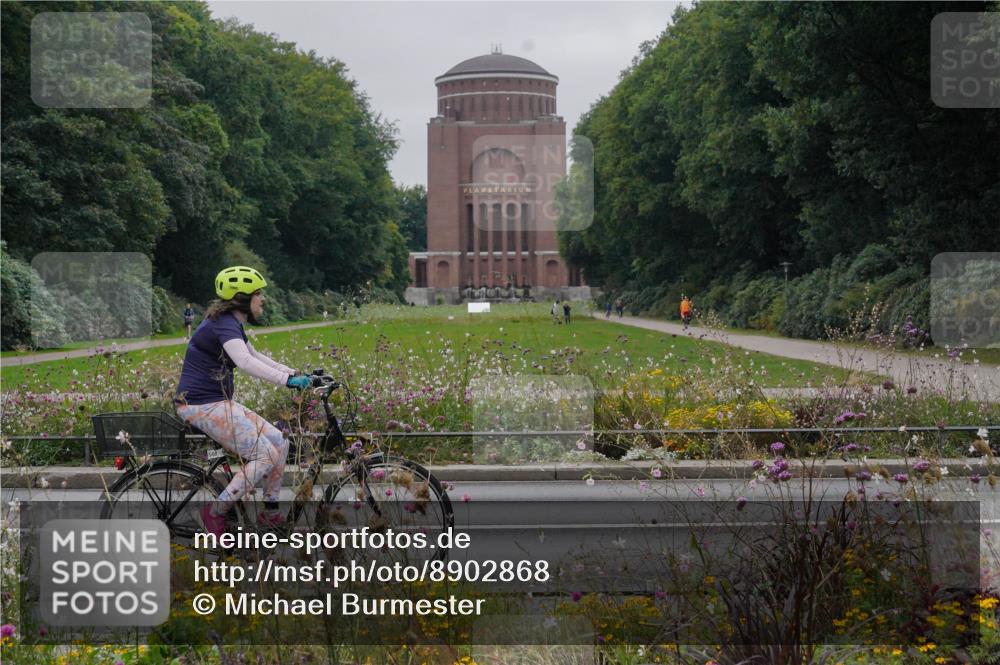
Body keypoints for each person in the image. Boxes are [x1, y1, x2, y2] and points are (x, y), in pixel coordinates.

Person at [174, 266, 310, 537]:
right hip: (199, 405)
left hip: (216, 402)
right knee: (264, 455)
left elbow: (253, 353)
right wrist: (286, 382)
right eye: (258, 294)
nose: (263, 300)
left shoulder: (228, 322)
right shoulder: (223, 323)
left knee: (280, 442)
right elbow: (245, 362)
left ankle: (269, 513)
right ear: (242, 298)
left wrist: (292, 372)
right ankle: (213, 513)